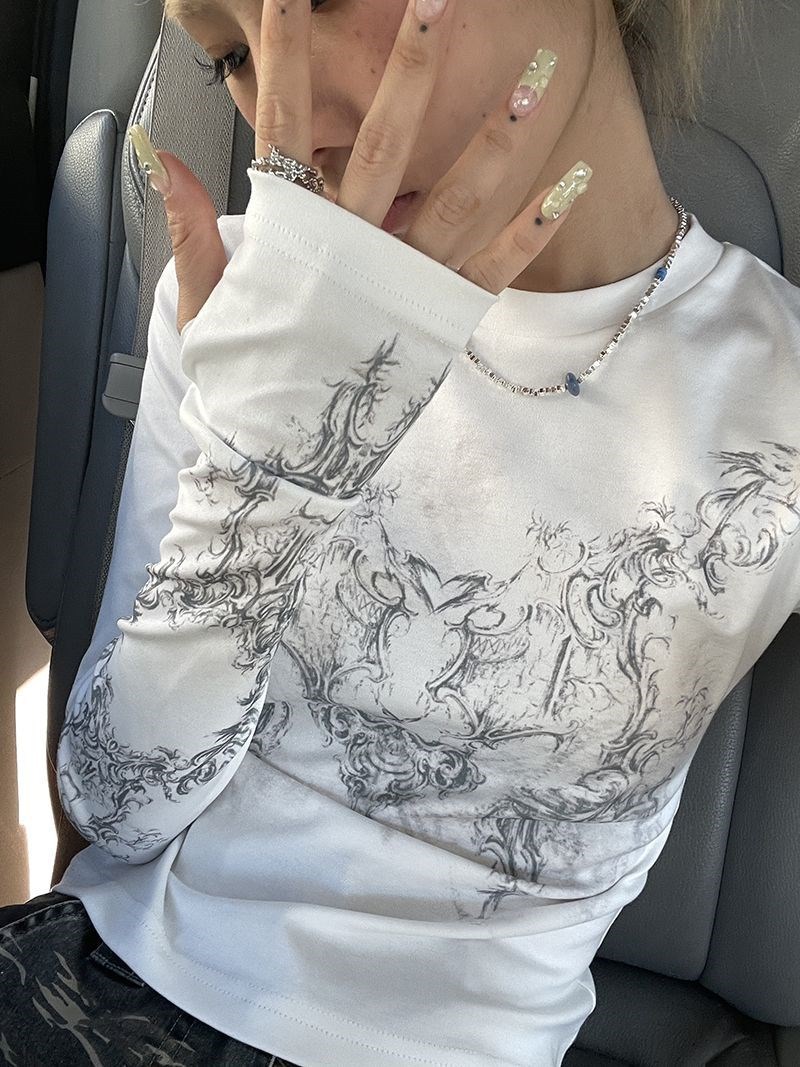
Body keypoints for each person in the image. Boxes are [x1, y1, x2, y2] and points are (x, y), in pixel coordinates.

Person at [2, 0, 798, 1064]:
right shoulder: (244, 291)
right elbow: (117, 807)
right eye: (232, 55)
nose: (294, 121)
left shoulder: (775, 386)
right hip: (100, 984)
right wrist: (263, 472)